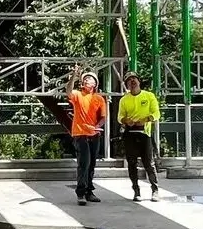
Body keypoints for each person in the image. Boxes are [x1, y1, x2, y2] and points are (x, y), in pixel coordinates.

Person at [117, 71, 161, 200]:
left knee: (149, 163)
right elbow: (120, 117)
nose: (132, 82)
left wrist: (147, 119)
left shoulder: (149, 96)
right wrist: (126, 121)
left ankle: (155, 190)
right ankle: (136, 190)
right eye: (129, 80)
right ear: (127, 85)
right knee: (132, 163)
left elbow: (156, 113)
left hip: (145, 134)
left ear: (139, 81)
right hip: (130, 134)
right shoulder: (124, 99)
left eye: (134, 79)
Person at [67, 70, 108, 204]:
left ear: (95, 83)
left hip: (94, 134)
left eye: (89, 78)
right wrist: (74, 75)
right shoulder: (78, 95)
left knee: (91, 165)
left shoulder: (99, 99)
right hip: (80, 133)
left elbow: (103, 117)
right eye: (84, 79)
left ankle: (89, 191)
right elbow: (68, 91)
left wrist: (97, 126)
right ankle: (80, 193)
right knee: (84, 163)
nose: (86, 80)